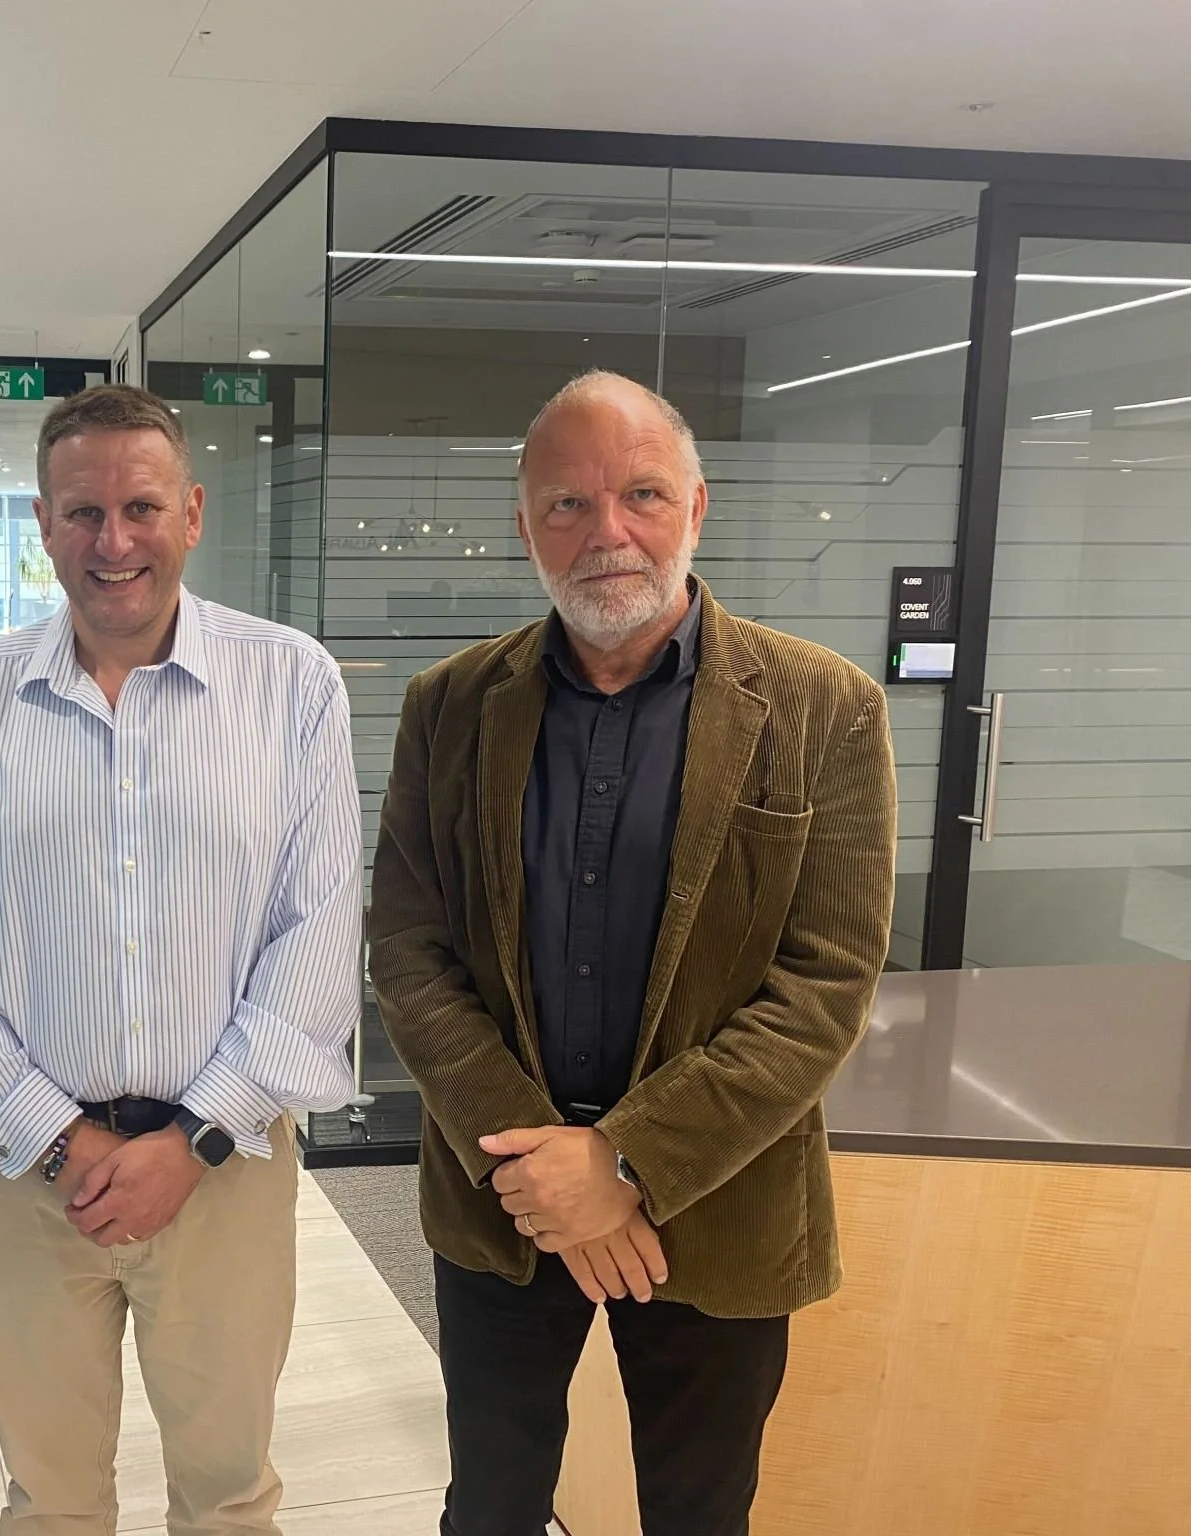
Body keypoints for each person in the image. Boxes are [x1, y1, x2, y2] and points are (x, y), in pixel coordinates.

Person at [370, 371, 896, 1536]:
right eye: (565, 504)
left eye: (640, 494)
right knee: (491, 1509)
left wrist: (622, 1163)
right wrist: (541, 1167)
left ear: (695, 507)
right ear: (523, 527)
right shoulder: (447, 706)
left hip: (716, 1210)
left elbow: (821, 989)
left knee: (699, 1516)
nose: (605, 531)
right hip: (501, 1203)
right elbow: (406, 950)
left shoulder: (824, 709)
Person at [0, 383, 361, 1536]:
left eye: (140, 506)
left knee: (228, 1493)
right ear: (42, 523)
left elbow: (320, 935)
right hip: (26, 1180)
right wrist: (63, 1141)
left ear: (189, 512)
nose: (114, 541)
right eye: (81, 512)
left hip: (226, 1173)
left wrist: (191, 1142)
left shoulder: (292, 686)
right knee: (47, 1497)